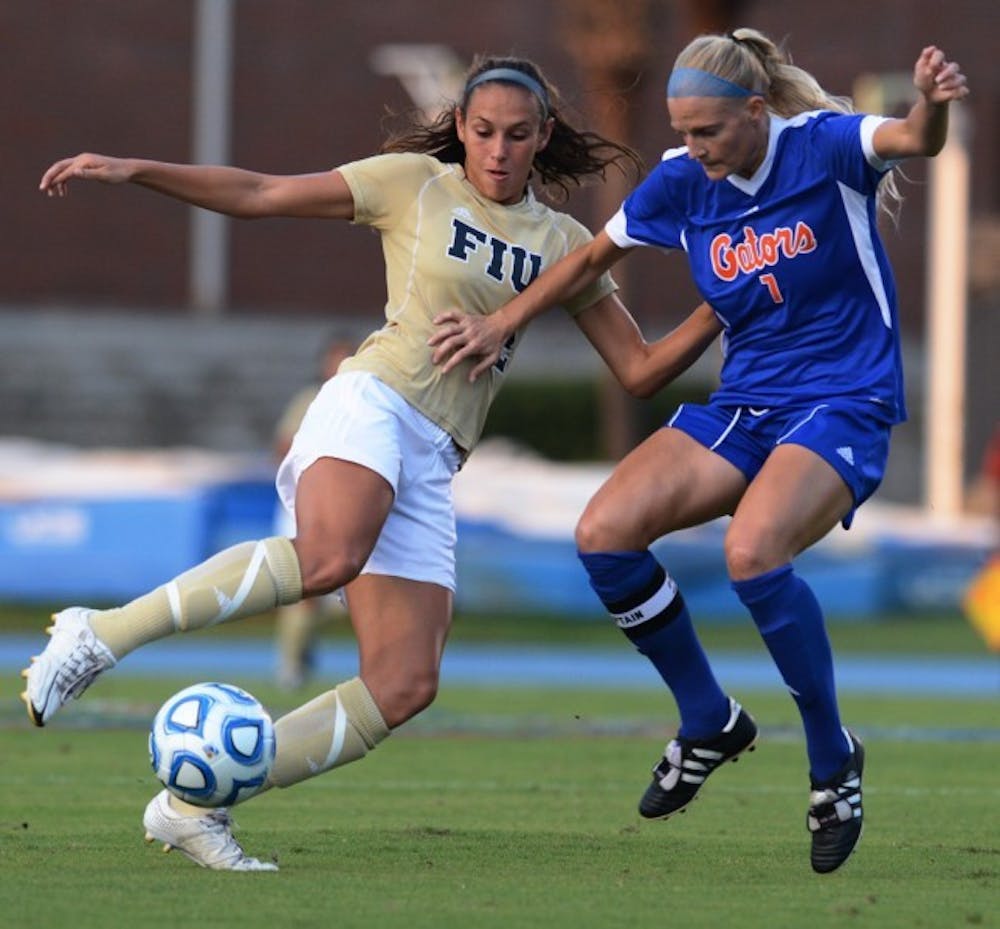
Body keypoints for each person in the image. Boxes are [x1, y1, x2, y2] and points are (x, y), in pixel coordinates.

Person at [24, 55, 721, 872]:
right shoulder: (413, 184)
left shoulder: (566, 242)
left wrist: (727, 300)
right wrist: (136, 169)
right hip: (375, 400)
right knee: (329, 555)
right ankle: (97, 632)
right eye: (484, 131)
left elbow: (639, 370)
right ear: (461, 127)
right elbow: (258, 194)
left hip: (435, 457)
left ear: (544, 138)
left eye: (517, 135)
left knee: (403, 683)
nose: (497, 150)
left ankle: (192, 806)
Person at [430, 32, 969, 873]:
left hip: (843, 401)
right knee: (603, 532)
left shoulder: (823, 146)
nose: (693, 149)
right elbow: (587, 262)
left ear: (756, 112)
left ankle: (833, 758)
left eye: (709, 132)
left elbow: (910, 139)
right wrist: (502, 322)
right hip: (747, 404)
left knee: (754, 552)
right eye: (682, 132)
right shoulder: (684, 181)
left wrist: (932, 103)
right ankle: (709, 717)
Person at [271, 335, 355, 690]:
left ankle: (302, 644)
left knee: (346, 589)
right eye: (336, 358)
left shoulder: (364, 403)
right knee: (301, 589)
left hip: (347, 508)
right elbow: (282, 447)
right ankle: (290, 665)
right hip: (306, 505)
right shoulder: (311, 401)